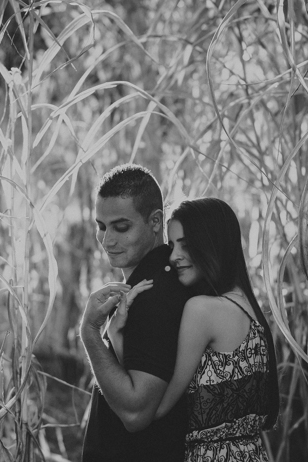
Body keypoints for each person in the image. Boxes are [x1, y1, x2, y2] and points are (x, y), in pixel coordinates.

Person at [110, 197, 280, 461]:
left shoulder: (202, 310)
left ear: (212, 244)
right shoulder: (251, 311)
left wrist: (115, 335)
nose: (173, 256)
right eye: (171, 245)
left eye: (186, 245)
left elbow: (153, 407)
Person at [79, 164, 191, 462]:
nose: (107, 240)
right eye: (101, 226)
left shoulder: (151, 293)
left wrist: (89, 332)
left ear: (155, 221)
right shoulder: (149, 284)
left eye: (121, 227)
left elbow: (136, 413)